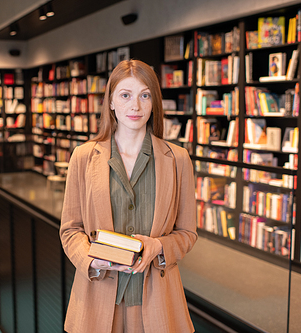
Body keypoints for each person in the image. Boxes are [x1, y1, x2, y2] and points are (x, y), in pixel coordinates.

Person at [60, 59, 198, 333]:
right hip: (97, 295)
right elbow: (70, 230)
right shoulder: (83, 157)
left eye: (144, 95)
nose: (135, 106)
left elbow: (187, 233)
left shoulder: (178, 159)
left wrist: (157, 247)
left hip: (158, 298)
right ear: (111, 102)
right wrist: (90, 259)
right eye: (125, 95)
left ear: (153, 103)